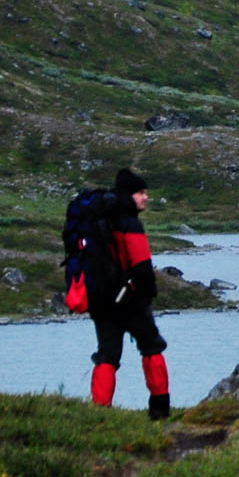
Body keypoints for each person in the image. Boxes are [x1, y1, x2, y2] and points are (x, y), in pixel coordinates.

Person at [89, 167, 171, 420]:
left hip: (100, 301)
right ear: (129, 195)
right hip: (132, 301)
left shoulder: (97, 218)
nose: (146, 197)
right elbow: (142, 265)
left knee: (107, 355)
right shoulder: (129, 222)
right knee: (152, 348)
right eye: (141, 193)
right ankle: (160, 411)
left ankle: (100, 415)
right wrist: (147, 294)